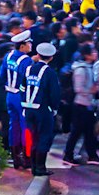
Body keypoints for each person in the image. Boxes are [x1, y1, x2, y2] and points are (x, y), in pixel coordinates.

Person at [22, 42, 63, 176]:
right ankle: (40, 167)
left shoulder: (28, 69)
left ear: (38, 55)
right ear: (51, 58)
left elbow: (22, 88)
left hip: (28, 108)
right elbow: (54, 93)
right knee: (44, 137)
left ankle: (33, 165)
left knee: (33, 136)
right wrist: (54, 108)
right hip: (43, 109)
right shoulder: (50, 73)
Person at [64, 42, 99, 164]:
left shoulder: (88, 67)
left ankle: (91, 154)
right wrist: (91, 90)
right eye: (92, 52)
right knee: (76, 131)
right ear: (86, 55)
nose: (95, 54)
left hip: (87, 104)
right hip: (80, 104)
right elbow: (78, 88)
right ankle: (68, 154)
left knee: (89, 131)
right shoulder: (81, 69)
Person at [3, 30, 35, 169]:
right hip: (20, 97)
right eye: (28, 43)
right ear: (22, 46)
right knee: (25, 127)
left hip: (9, 94)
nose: (30, 45)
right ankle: (27, 157)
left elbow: (2, 74)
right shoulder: (26, 60)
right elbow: (27, 80)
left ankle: (15, 156)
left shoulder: (8, 56)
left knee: (13, 126)